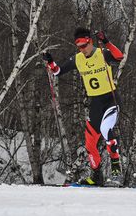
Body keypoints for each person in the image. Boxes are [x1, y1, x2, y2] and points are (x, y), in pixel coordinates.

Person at [43, 27, 123, 186]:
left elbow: (119, 56)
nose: (82, 49)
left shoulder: (102, 52)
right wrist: (51, 62)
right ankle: (96, 176)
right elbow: (58, 71)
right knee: (89, 143)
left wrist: (106, 41)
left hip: (110, 100)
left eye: (84, 45)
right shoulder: (78, 59)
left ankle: (115, 165)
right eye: (79, 46)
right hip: (95, 103)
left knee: (106, 129)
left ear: (90, 42)